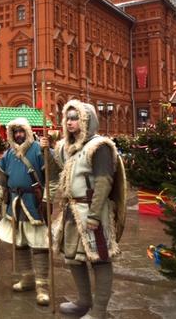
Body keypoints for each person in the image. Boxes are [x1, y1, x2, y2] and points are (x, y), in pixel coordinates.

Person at [42, 99, 126, 319]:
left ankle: (98, 312)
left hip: (91, 209)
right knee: (73, 257)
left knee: (99, 258)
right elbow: (58, 171)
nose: (70, 122)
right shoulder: (67, 148)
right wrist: (46, 152)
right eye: (67, 118)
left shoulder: (100, 147)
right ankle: (84, 301)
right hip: (72, 210)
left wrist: (95, 215)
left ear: (87, 120)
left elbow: (103, 182)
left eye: (75, 118)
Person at [0, 118, 58, 305]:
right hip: (15, 203)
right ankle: (27, 279)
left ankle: (42, 286)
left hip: (34, 203)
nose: (19, 135)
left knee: (38, 245)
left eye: (21, 131)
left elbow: (52, 176)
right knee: (19, 243)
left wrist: (47, 199)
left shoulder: (39, 149)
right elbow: (2, 182)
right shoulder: (8, 155)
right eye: (15, 132)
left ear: (27, 132)